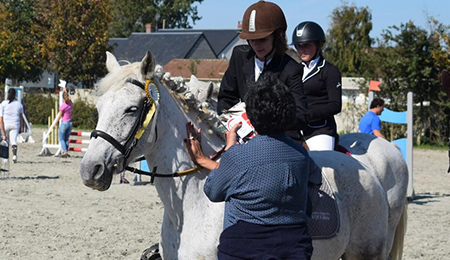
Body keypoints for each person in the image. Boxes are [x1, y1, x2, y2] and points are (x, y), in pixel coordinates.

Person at [186, 74, 321, 260]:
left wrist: (229, 150)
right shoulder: (301, 155)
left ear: (249, 116)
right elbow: (315, 179)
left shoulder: (238, 155)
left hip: (243, 248)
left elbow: (213, 191)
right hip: (294, 247)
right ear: (289, 114)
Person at [217, 0, 308, 140]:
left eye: (262, 39)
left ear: (277, 36)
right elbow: (226, 97)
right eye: (252, 40)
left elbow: (300, 115)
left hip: (278, 139)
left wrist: (264, 124)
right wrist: (228, 125)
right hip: (240, 134)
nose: (256, 45)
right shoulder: (238, 56)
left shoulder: (291, 69)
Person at [291, 21, 342, 151]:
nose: (301, 50)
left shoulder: (330, 71)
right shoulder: (294, 70)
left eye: (306, 45)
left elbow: (335, 105)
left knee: (321, 166)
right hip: (294, 127)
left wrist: (307, 114)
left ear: (319, 45)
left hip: (319, 129)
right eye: (298, 46)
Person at [0, 88, 24, 163]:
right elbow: (21, 117)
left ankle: (5, 157)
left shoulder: (3, 103)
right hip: (15, 124)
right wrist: (21, 127)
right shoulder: (19, 104)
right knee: (13, 141)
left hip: (6, 124)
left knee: (5, 140)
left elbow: (1, 116)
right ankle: (14, 156)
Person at [55, 89, 73, 158]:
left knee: (61, 139)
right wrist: (65, 90)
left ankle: (65, 151)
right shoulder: (70, 103)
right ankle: (66, 151)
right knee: (66, 139)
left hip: (64, 123)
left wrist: (55, 123)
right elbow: (68, 97)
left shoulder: (63, 106)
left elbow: (59, 116)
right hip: (70, 123)